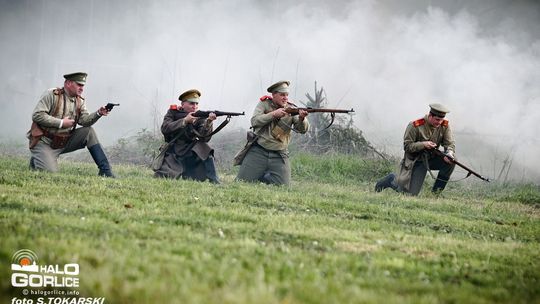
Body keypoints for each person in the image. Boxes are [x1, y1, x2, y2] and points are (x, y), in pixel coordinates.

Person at [27, 72, 115, 177]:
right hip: (44, 142)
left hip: (63, 141)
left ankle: (105, 171)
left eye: (83, 85)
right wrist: (60, 123)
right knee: (50, 175)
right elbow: (37, 115)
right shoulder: (51, 95)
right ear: (68, 83)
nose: (82, 88)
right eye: (79, 85)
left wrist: (98, 113)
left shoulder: (79, 100)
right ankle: (39, 158)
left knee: (89, 132)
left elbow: (84, 121)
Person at [236, 80, 309, 186]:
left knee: (284, 187)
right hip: (259, 151)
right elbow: (254, 121)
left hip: (279, 154)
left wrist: (302, 119)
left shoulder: (292, 109)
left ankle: (264, 176)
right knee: (241, 183)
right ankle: (260, 173)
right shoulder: (264, 104)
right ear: (274, 94)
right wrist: (274, 114)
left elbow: (302, 130)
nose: (285, 98)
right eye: (282, 95)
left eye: (287, 95)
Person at [375, 103, 456, 195]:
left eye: (441, 120)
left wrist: (449, 153)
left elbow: (449, 143)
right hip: (416, 161)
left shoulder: (444, 125)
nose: (439, 122)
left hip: (432, 158)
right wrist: (423, 145)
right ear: (430, 116)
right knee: (410, 194)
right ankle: (391, 180)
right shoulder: (414, 125)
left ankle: (435, 193)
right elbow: (407, 146)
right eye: (437, 119)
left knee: (451, 161)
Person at [153, 89, 220, 183]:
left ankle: (214, 180)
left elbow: (204, 138)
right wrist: (184, 121)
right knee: (165, 177)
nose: (195, 106)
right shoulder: (173, 112)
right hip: (174, 151)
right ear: (183, 104)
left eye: (196, 104)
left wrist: (208, 122)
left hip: (191, 150)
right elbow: (165, 128)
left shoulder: (200, 116)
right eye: (191, 103)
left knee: (205, 149)